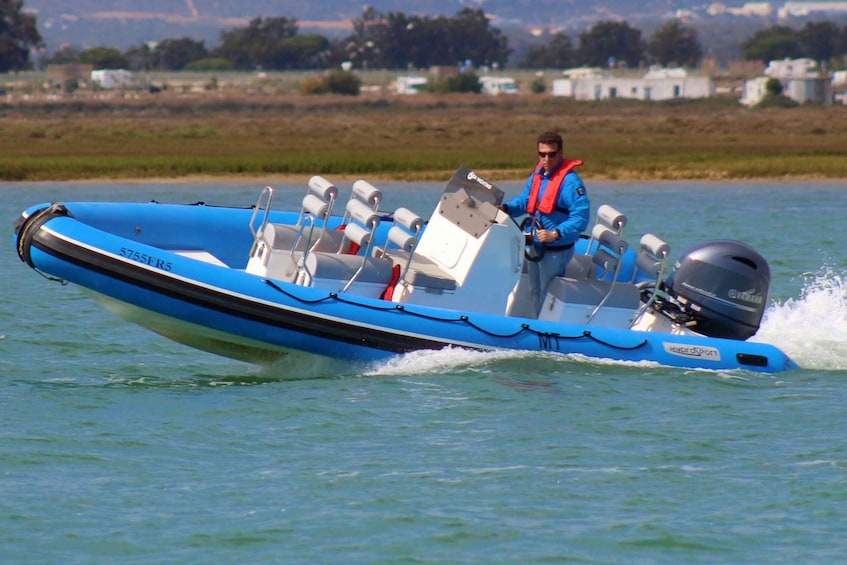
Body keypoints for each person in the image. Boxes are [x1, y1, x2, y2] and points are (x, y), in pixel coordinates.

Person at [500, 131, 590, 314]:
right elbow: (526, 201)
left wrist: (555, 233)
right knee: (535, 291)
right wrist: (507, 208)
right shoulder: (538, 175)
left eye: (551, 154)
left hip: (555, 249)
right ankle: (536, 325)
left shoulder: (570, 183)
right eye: (542, 154)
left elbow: (580, 217)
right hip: (536, 245)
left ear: (560, 153)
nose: (546, 159)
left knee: (547, 295)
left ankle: (547, 329)